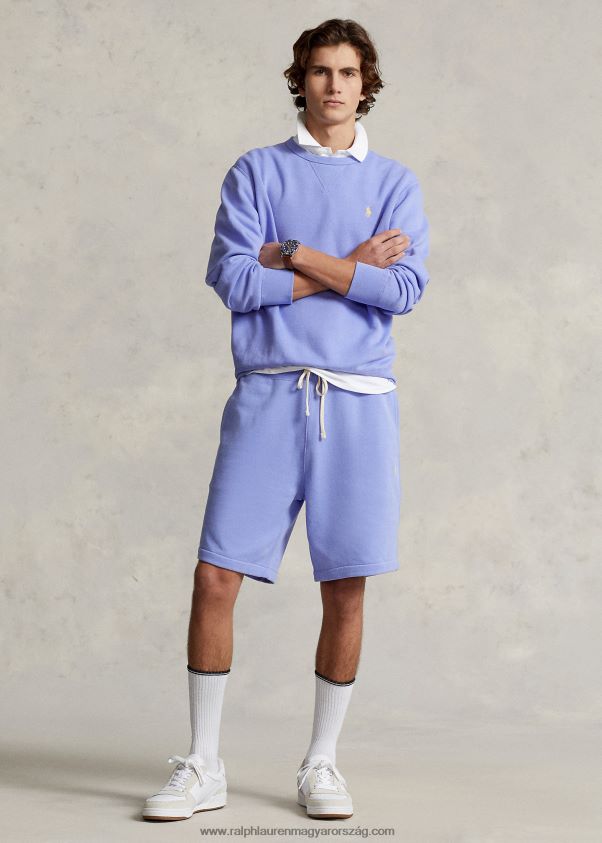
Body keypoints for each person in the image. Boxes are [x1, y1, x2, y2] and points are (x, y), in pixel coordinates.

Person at [143, 17, 430, 823]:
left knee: (346, 585)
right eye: (320, 70)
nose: (334, 85)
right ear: (300, 78)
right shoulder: (257, 172)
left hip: (359, 402)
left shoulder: (396, 182)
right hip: (269, 393)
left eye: (348, 72)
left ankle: (321, 762)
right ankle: (204, 763)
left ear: (365, 83)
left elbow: (404, 290)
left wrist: (293, 255)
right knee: (215, 576)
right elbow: (235, 280)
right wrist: (343, 265)